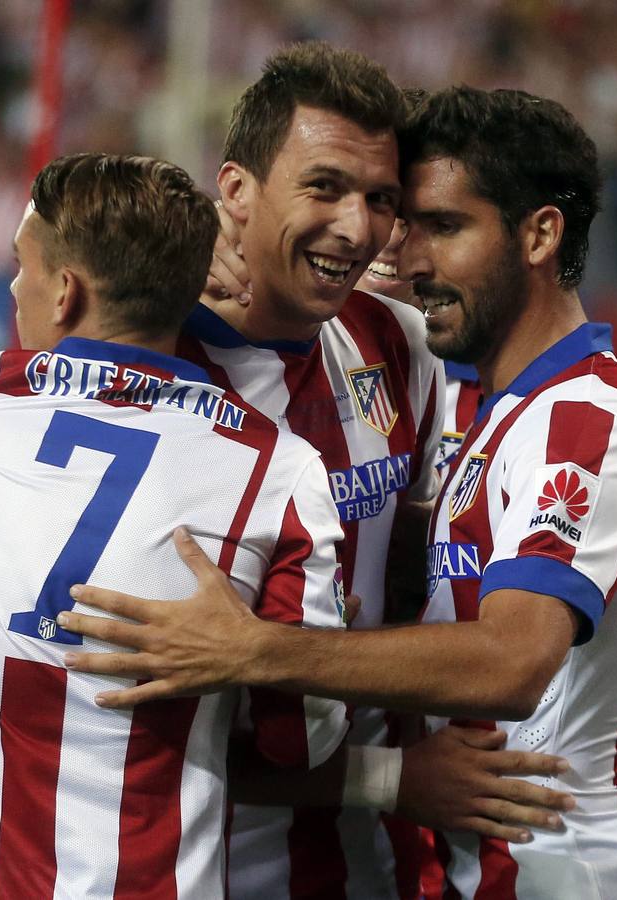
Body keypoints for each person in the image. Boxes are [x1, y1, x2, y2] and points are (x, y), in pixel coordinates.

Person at [61, 86, 617, 898]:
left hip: (574, 869)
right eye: (407, 224)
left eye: (441, 227)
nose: (405, 257)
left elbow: (511, 660)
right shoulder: (496, 413)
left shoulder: (581, 418)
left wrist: (255, 648)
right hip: (486, 865)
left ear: (541, 233)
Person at [169, 45, 573, 899]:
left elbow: (445, 579)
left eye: (379, 200)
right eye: (323, 188)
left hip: (380, 870)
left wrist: (587, 694)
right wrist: (391, 777)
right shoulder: (153, 358)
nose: (357, 228)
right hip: (204, 866)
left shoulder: (393, 347)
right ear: (234, 190)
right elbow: (140, 718)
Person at [0, 152, 350, 897]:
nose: (16, 285)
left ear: (66, 292)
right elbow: (301, 739)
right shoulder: (279, 473)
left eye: (24, 267)